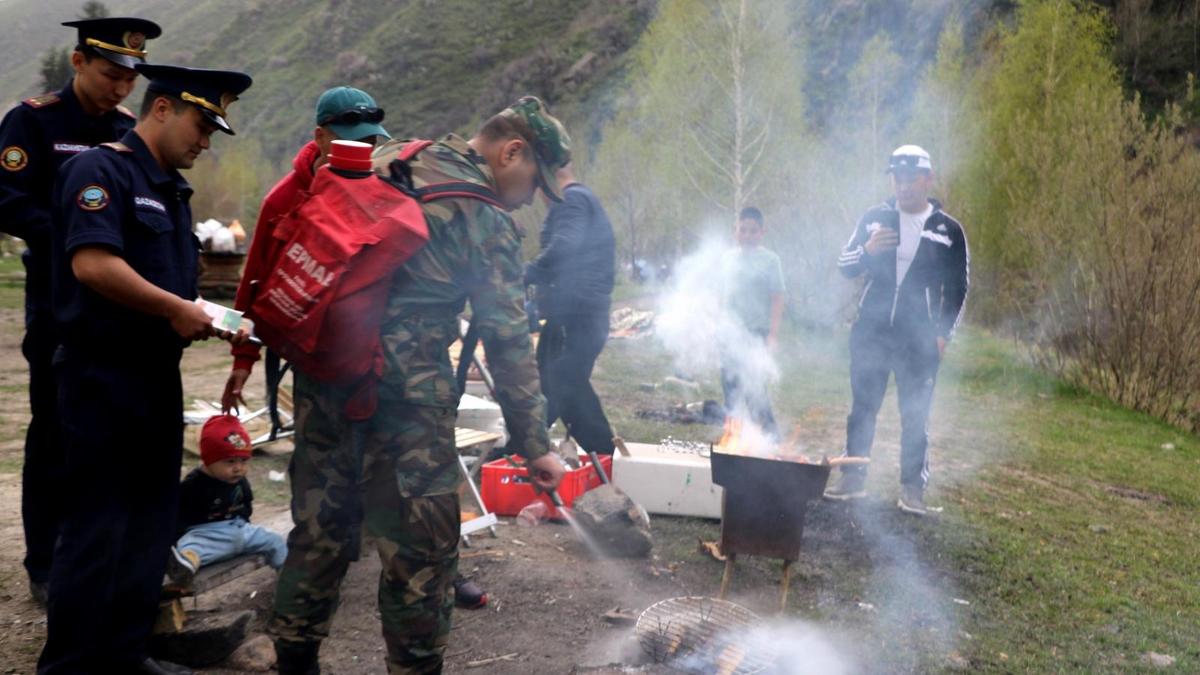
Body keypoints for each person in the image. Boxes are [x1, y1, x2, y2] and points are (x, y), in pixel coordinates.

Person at [268, 95, 569, 675]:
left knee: (319, 530)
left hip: (323, 375)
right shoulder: (483, 215)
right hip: (407, 399)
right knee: (421, 554)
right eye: (536, 181)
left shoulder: (389, 158)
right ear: (511, 152)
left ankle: (294, 662)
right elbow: (507, 344)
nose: (533, 197)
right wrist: (535, 446)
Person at [41, 63, 252, 675]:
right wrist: (177, 308)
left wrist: (213, 316)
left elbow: (167, 284)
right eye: (201, 124)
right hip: (100, 377)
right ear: (162, 109)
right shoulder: (99, 170)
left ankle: (125, 655)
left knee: (146, 526)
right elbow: (93, 266)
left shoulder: (169, 188)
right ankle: (73, 666)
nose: (206, 141)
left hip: (155, 378)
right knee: (97, 530)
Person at [0, 16, 161, 606]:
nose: (121, 88)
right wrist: (75, 234)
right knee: (53, 433)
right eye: (109, 73)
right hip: (56, 300)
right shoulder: (34, 121)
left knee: (107, 434)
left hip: (119, 305)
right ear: (78, 63)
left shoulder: (126, 131)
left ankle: (96, 556)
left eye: (129, 79)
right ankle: (45, 561)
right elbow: (8, 200)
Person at [221, 86, 391, 409]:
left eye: (369, 144)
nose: (362, 153)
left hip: (371, 360)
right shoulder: (283, 201)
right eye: (351, 143)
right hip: (315, 360)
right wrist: (242, 361)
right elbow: (253, 281)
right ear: (321, 137)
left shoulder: (383, 194)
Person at [825, 145, 969, 515]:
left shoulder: (948, 230)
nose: (903, 186)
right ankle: (853, 479)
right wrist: (868, 250)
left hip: (918, 339)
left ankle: (911, 489)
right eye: (897, 178)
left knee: (915, 414)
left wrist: (942, 334)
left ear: (928, 179)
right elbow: (845, 265)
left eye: (911, 179)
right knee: (863, 408)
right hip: (871, 332)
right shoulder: (874, 217)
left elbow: (957, 288)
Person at [525, 162, 617, 456]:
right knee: (558, 384)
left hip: (579, 316)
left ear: (549, 177)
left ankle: (525, 448)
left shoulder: (573, 199)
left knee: (561, 383)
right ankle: (527, 446)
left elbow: (565, 245)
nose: (536, 192)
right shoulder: (579, 200)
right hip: (575, 314)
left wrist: (527, 272)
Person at [166, 415, 287, 587]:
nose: (238, 468)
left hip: (240, 529)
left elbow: (246, 503)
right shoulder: (193, 485)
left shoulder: (238, 480)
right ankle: (184, 566)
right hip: (207, 535)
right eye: (230, 461)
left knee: (274, 540)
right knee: (192, 548)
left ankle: (287, 578)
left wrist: (245, 522)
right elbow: (178, 516)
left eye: (244, 460)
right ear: (209, 461)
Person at [719, 206, 785, 437]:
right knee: (730, 389)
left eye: (753, 231)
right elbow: (722, 295)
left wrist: (773, 334)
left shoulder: (770, 260)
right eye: (743, 230)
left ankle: (770, 439)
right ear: (735, 231)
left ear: (762, 232)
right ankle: (735, 439)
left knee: (755, 390)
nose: (747, 236)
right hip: (728, 334)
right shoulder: (726, 259)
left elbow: (777, 297)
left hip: (756, 333)